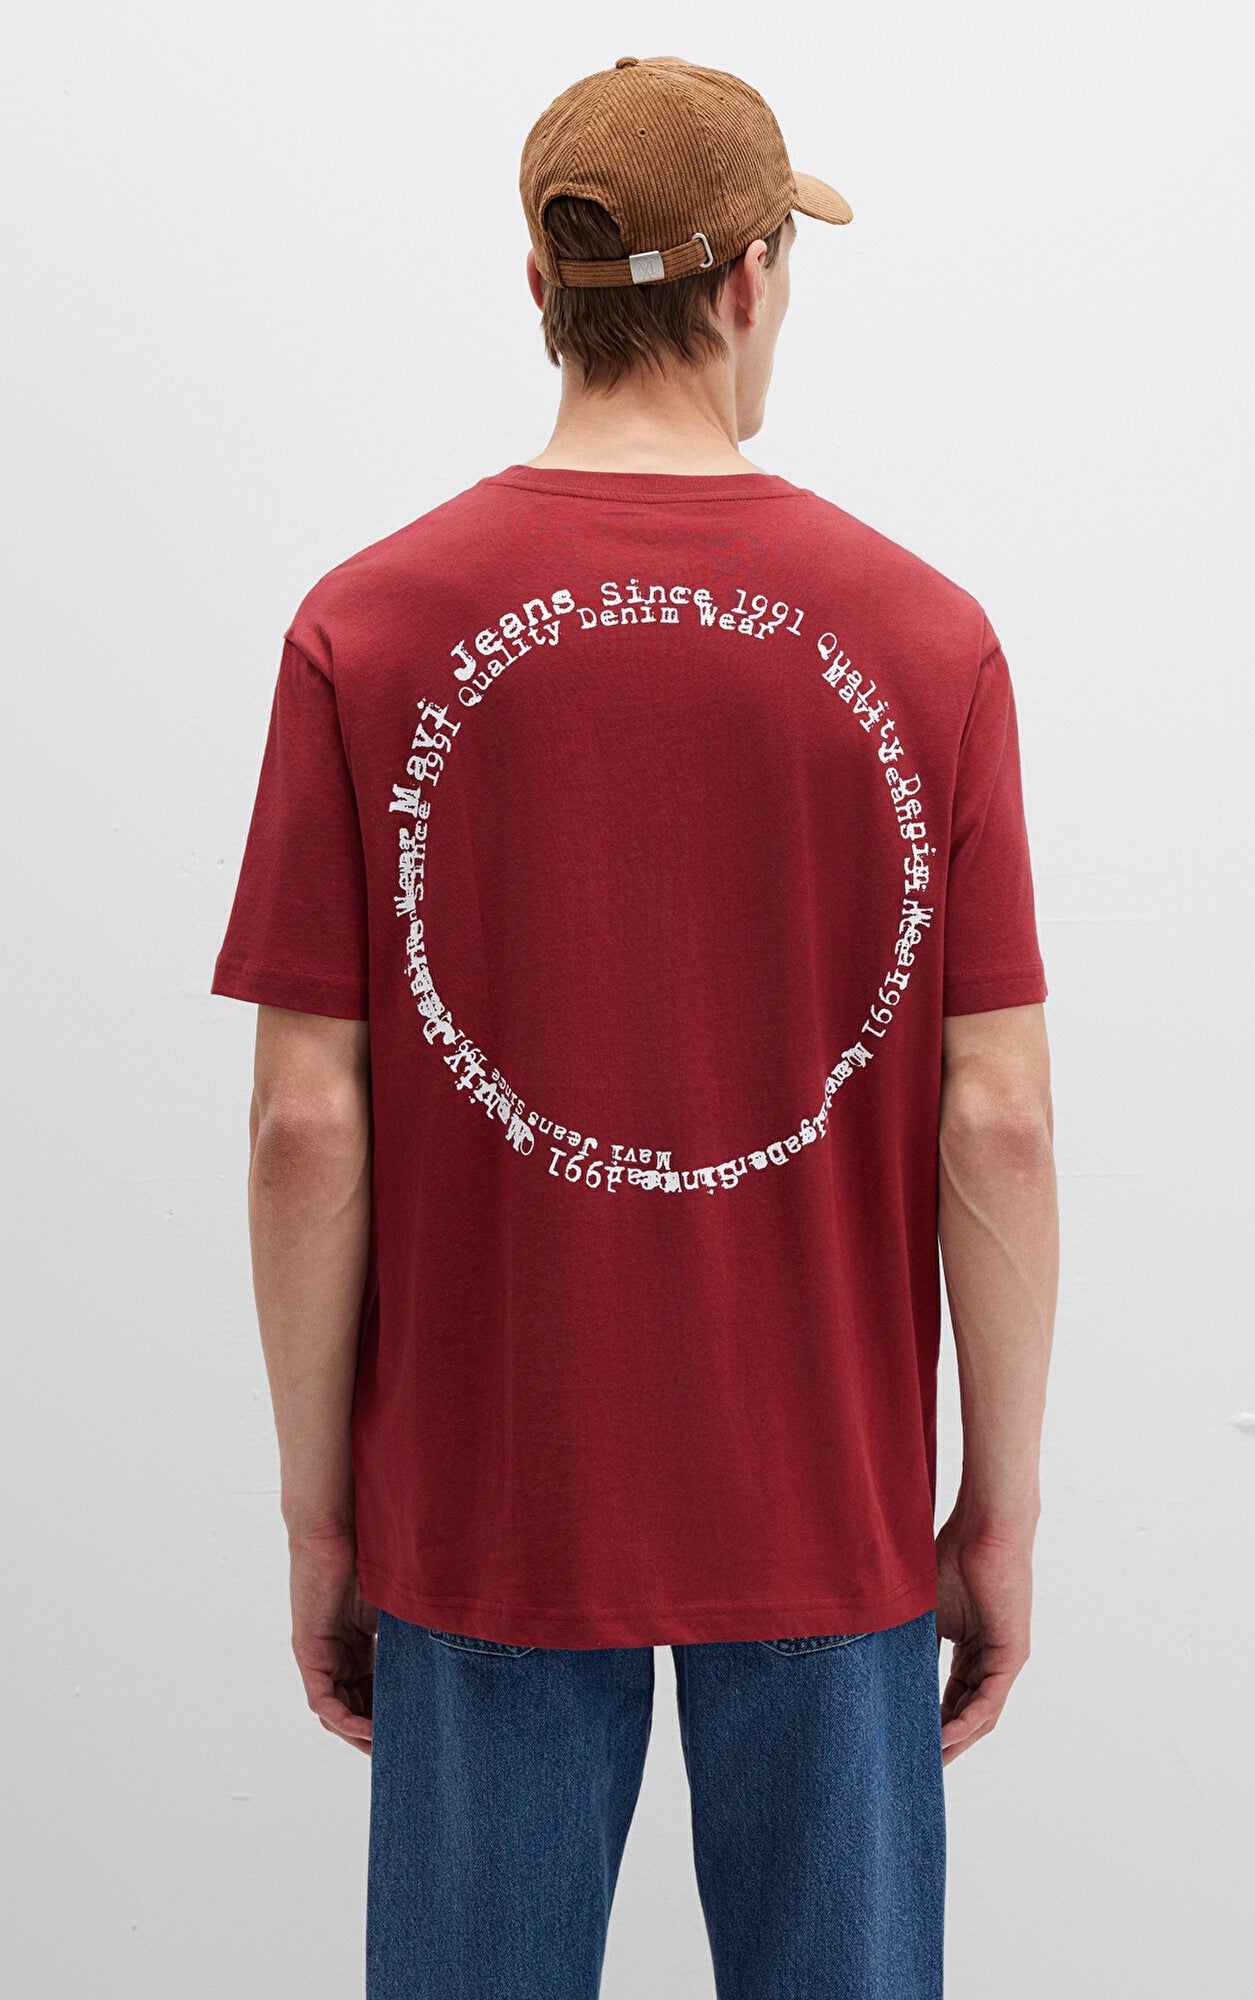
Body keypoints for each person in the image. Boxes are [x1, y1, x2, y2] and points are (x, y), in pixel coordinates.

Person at [213, 52, 1059, 2000]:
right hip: (828, 1501)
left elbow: (301, 1126)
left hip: (489, 1504)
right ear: (754, 279)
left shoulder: (365, 629)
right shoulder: (928, 638)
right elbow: (997, 1118)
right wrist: (995, 1512)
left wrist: (322, 1511)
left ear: (539, 284)